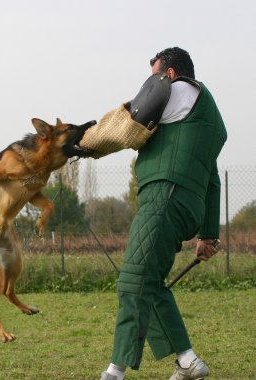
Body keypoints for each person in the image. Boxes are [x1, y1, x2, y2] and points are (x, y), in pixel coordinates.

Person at [100, 47, 227, 380]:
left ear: (169, 74)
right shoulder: (203, 118)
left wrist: (79, 145)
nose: (152, 83)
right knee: (149, 280)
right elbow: (212, 179)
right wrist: (208, 234)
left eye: (156, 75)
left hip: (164, 195)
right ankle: (186, 360)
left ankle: (114, 371)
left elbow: (130, 122)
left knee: (133, 280)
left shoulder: (181, 90)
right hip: (183, 203)